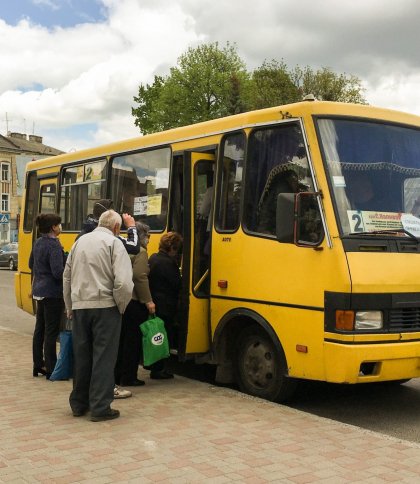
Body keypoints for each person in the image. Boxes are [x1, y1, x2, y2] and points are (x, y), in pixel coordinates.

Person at [63, 210, 134, 422]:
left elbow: (67, 277)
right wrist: (120, 306)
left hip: (80, 306)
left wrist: (69, 305)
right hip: (106, 306)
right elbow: (123, 282)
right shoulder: (114, 243)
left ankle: (79, 404)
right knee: (104, 357)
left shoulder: (79, 242)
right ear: (115, 228)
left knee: (82, 356)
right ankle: (100, 407)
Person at [115, 222, 155, 386]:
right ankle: (129, 376)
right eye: (148, 236)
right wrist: (148, 301)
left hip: (122, 300)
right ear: (142, 236)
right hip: (135, 301)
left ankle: (117, 375)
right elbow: (139, 277)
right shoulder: (141, 252)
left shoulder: (122, 248)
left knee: (121, 340)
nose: (149, 240)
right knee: (133, 341)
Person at [29, 213, 66, 379]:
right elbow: (58, 272)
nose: (60, 227)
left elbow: (31, 264)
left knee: (40, 329)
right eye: (59, 224)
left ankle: (38, 364)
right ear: (53, 227)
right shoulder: (53, 245)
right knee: (51, 332)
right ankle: (51, 368)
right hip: (52, 292)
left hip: (39, 291)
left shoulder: (38, 242)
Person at [147, 232, 183, 379]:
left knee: (156, 336)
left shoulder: (153, 258)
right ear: (172, 248)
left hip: (155, 302)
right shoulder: (168, 263)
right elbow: (177, 284)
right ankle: (158, 369)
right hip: (166, 305)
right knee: (162, 337)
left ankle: (154, 366)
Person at [257, 168, 302, 234]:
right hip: (272, 230)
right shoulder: (284, 190)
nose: (297, 183)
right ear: (289, 180)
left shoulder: (279, 187)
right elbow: (285, 215)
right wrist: (264, 228)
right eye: (294, 180)